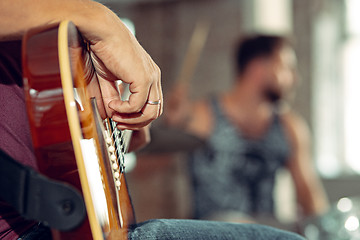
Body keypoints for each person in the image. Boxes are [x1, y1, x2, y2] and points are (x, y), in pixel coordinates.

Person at [0, 1, 305, 239]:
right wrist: (102, 21)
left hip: (60, 218)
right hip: (27, 225)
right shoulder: (208, 113)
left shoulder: (290, 126)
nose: (295, 78)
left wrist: (116, 125)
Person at [165, 35, 329, 224]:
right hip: (211, 232)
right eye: (286, 67)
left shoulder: (289, 127)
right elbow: (145, 169)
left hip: (265, 233)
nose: (295, 78)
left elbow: (309, 195)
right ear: (258, 67)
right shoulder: (203, 116)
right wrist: (171, 127)